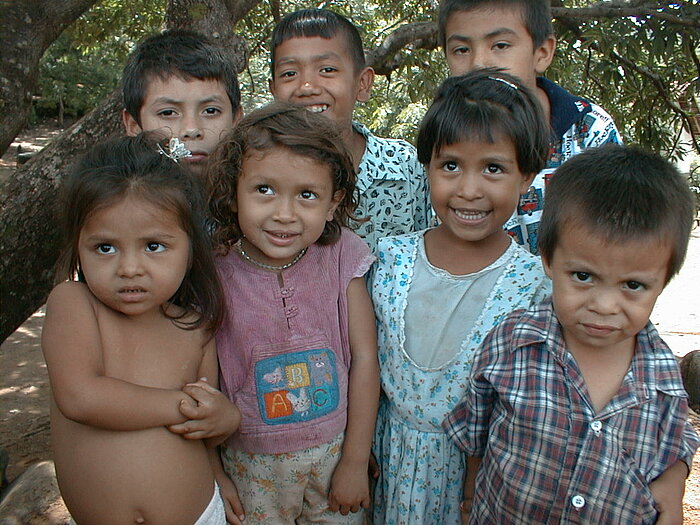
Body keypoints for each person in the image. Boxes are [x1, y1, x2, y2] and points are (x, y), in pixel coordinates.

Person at [444, 143, 700, 524]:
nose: (605, 305)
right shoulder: (512, 344)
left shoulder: (664, 377)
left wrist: (675, 477)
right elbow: (475, 432)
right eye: (583, 276)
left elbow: (676, 442)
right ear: (548, 259)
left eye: (632, 285)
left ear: (662, 279)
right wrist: (470, 495)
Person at [370, 69, 552, 525]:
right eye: (450, 165)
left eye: (493, 168)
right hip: (384, 462)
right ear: (427, 166)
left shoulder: (535, 286)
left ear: (526, 175)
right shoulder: (389, 260)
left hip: (477, 484)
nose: (469, 190)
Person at [42, 134, 241, 524]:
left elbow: (203, 430)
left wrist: (224, 419)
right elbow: (81, 397)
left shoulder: (193, 327)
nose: (129, 268)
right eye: (105, 248)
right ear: (78, 245)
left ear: (190, 249)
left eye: (153, 246)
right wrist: (181, 405)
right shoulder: (74, 304)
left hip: (202, 514)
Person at [206, 102, 380, 524]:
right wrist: (215, 476)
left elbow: (365, 360)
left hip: (334, 457)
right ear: (233, 192)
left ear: (334, 202)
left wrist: (356, 461)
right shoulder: (213, 271)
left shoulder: (343, 258)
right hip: (249, 466)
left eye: (306, 195)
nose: (284, 214)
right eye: (264, 189)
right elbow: (202, 385)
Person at [438, 0, 622, 254]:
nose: (479, 63)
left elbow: (618, 240)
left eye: (500, 45)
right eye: (461, 49)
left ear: (542, 52)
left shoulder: (588, 131)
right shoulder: (444, 132)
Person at [268, 8, 432, 252]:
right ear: (273, 90)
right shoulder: (260, 170)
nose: (307, 86)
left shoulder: (405, 168)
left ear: (362, 83)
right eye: (289, 73)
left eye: (327, 70)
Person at [121, 29, 242, 177]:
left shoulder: (263, 193)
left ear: (236, 119)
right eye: (168, 113)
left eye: (210, 111)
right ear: (134, 126)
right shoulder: (111, 197)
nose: (192, 130)